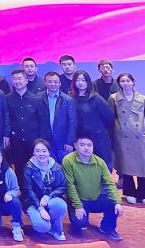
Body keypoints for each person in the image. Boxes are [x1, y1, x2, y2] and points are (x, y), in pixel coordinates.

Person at [62, 135, 122, 241]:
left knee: (114, 203)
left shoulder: (100, 162)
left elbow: (109, 183)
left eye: (89, 145)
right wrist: (78, 206)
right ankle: (77, 221)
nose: (86, 148)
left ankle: (107, 228)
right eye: (82, 145)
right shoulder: (68, 160)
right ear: (75, 146)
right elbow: (69, 185)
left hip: (96, 198)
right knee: (80, 223)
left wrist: (117, 202)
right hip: (78, 200)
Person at [22, 139, 68, 241]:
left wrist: (48, 197)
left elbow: (63, 187)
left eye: (44, 151)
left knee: (60, 205)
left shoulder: (57, 167)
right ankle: (46, 224)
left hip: (50, 199)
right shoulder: (28, 167)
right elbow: (28, 190)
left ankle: (56, 229)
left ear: (49, 152)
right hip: (33, 202)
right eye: (37, 151)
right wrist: (40, 208)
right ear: (33, 153)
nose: (41, 154)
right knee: (42, 226)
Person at [110, 72, 145, 204]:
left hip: (140, 136)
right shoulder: (114, 98)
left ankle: (142, 193)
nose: (125, 83)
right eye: (122, 81)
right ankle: (129, 192)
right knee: (126, 165)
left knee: (143, 165)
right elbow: (111, 117)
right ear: (119, 83)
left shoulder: (142, 98)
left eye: (128, 81)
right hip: (123, 137)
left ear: (133, 82)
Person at [7, 69, 49, 177]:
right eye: (14, 79)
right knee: (19, 167)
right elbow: (6, 119)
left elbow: (42, 121)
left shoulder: (36, 99)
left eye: (19, 79)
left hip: (33, 140)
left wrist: (42, 140)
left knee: (35, 167)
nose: (17, 81)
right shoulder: (7, 99)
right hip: (15, 140)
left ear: (26, 81)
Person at [71, 70, 114, 171]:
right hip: (78, 138)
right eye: (78, 80)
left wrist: (98, 129)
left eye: (83, 80)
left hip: (97, 139)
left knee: (101, 167)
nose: (80, 83)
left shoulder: (96, 98)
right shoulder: (70, 99)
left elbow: (109, 118)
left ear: (88, 82)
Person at [42, 71, 77, 162]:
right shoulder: (38, 98)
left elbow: (72, 123)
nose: (53, 84)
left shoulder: (68, 100)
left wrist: (69, 141)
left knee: (64, 166)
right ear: (45, 83)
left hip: (63, 142)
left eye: (55, 82)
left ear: (60, 83)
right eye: (50, 82)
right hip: (44, 141)